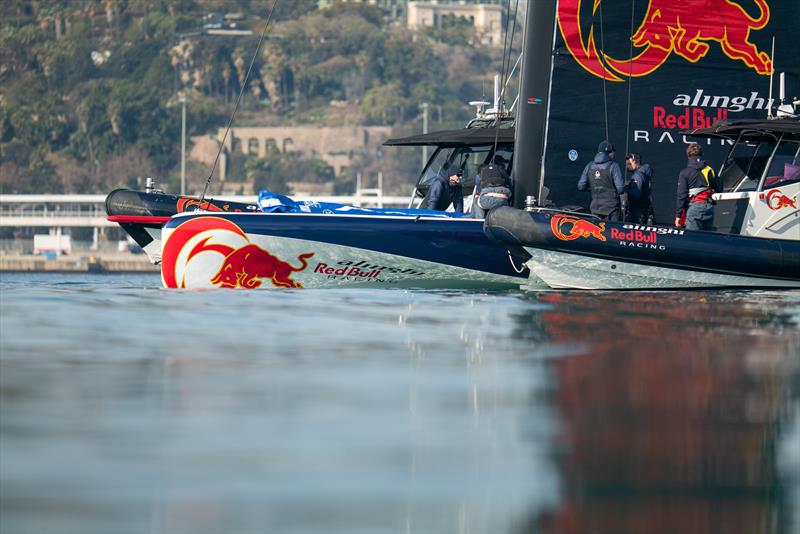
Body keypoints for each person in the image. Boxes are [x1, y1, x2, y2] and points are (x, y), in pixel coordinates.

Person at [577, 140, 626, 221]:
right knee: (610, 232)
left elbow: (581, 186)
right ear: (610, 152)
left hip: (595, 208)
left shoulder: (589, 166)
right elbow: (620, 189)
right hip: (612, 209)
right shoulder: (613, 166)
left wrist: (594, 188)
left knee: (596, 232)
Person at [675, 142, 718, 230]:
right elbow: (718, 187)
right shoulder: (710, 170)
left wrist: (678, 216)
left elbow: (681, 195)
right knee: (707, 240)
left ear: (688, 156)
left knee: (693, 239)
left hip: (694, 207)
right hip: (709, 208)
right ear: (702, 154)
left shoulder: (685, 173)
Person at [624, 152, 655, 224]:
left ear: (635, 162)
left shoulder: (638, 175)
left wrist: (626, 188)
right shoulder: (643, 173)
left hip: (637, 213)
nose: (627, 167)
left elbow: (636, 194)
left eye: (629, 164)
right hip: (643, 211)